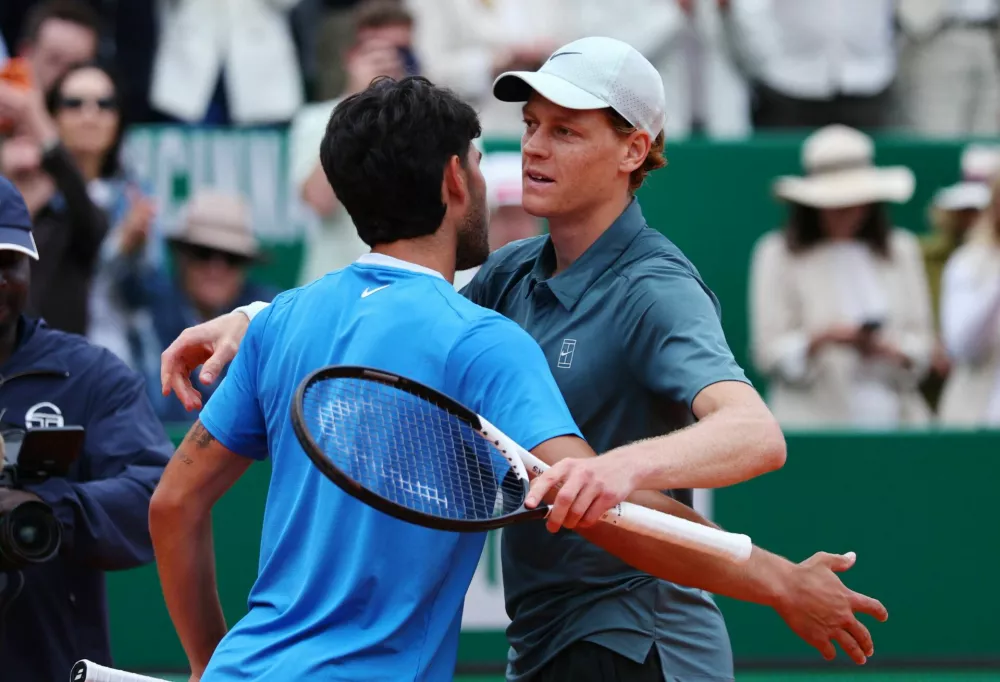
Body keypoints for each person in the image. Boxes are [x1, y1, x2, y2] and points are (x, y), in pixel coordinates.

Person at [159, 41, 887, 681]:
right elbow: (396, 313)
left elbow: (754, 435)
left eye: (564, 131)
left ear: (634, 150)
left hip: (638, 642)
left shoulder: (656, 287)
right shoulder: (507, 277)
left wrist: (618, 470)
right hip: (541, 641)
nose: (534, 148)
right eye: (532, 125)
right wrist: (251, 319)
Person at [0, 176, 171, 682]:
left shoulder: (88, 376)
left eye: (6, 262)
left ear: (29, 264)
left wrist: (48, 509)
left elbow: (159, 493)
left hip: (50, 661)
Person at [749, 124, 935, 429]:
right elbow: (768, 352)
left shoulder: (901, 249)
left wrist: (889, 348)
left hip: (897, 424)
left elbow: (922, 344)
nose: (846, 212)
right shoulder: (777, 253)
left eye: (855, 202)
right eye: (835, 204)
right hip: (814, 426)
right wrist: (822, 339)